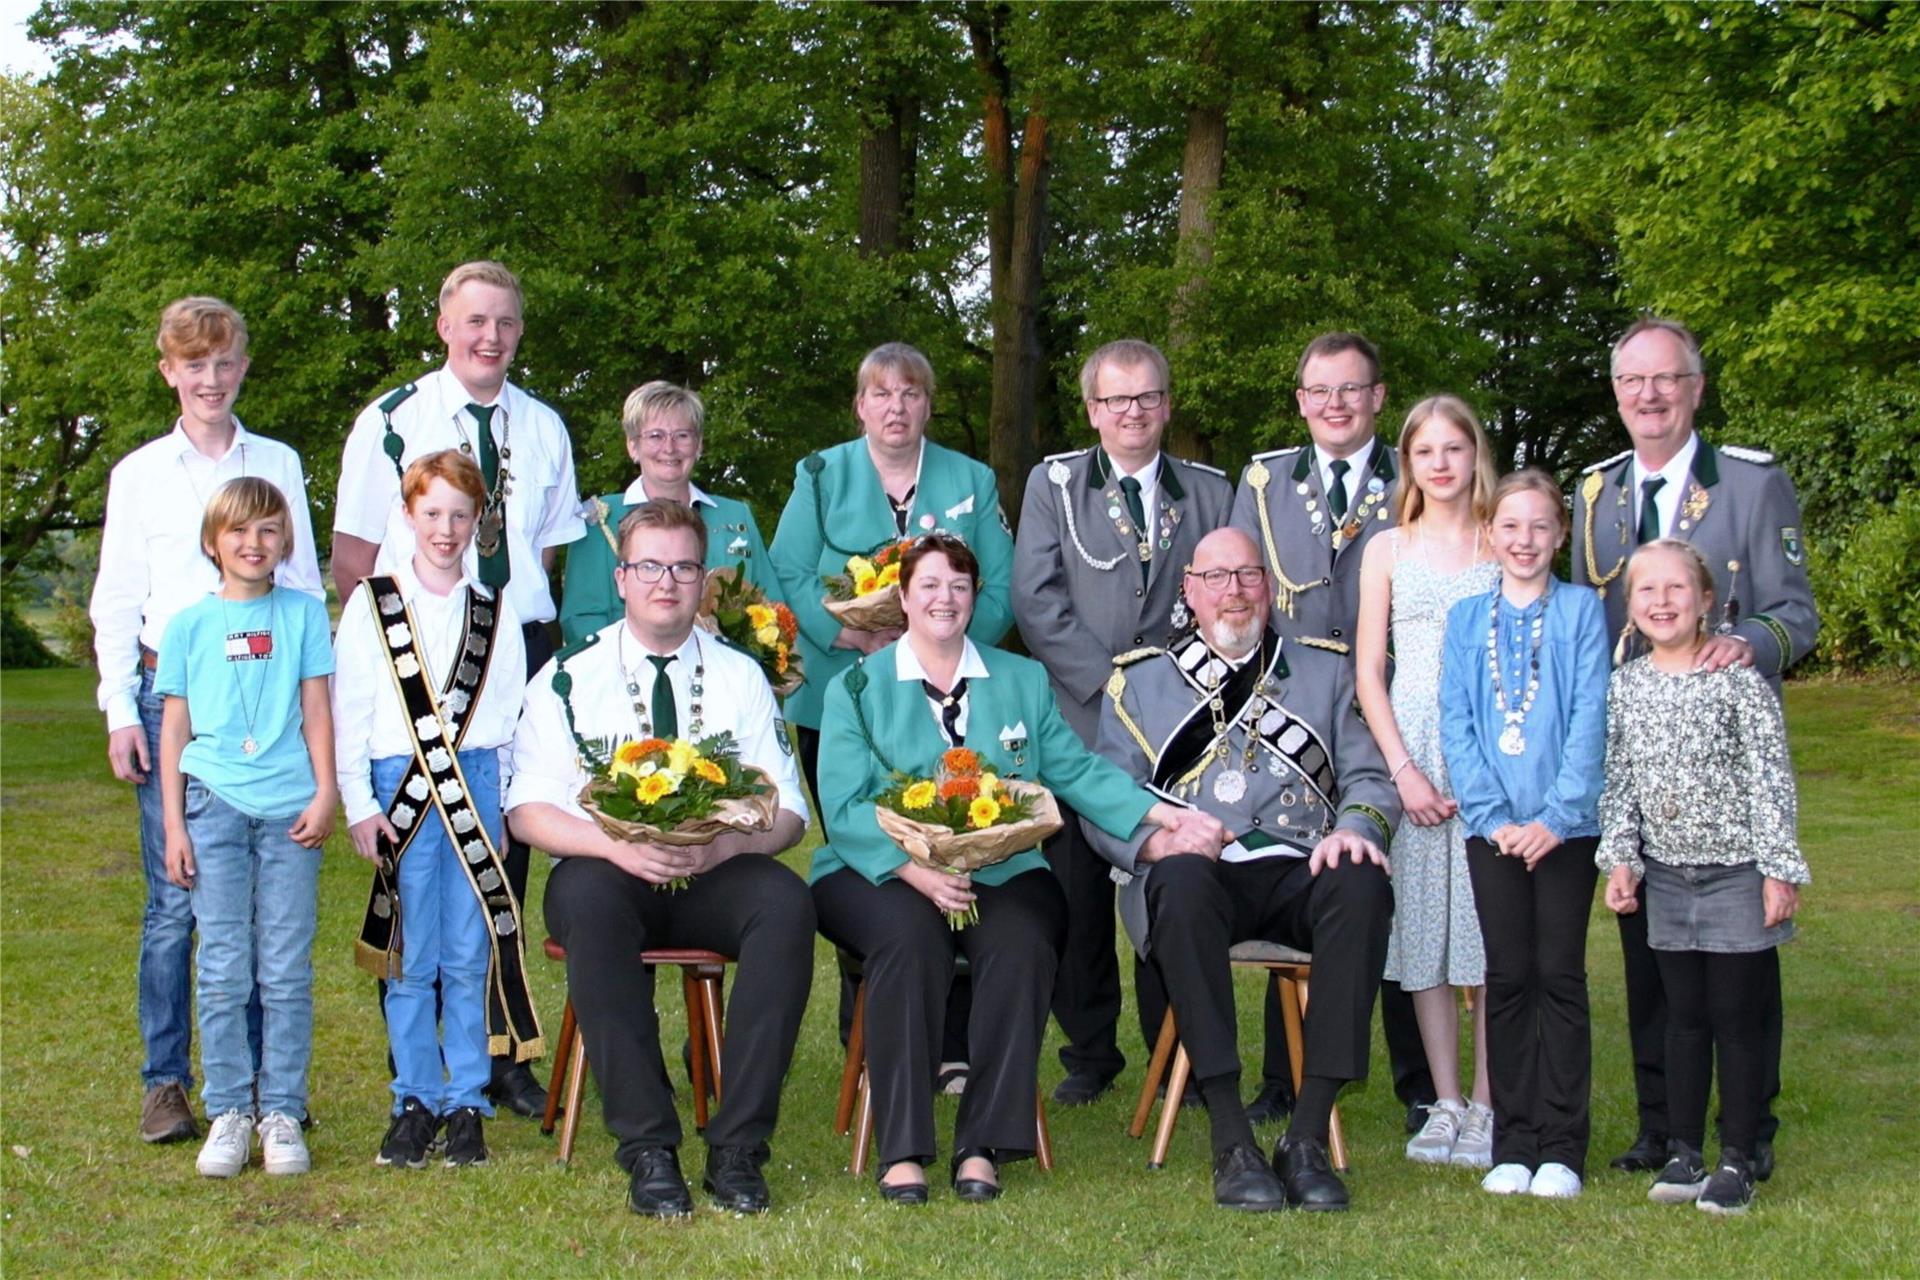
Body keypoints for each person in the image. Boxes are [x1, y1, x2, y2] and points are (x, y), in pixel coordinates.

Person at [810, 533, 1222, 1205]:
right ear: (903, 598)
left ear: (975, 599)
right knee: (909, 942)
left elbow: (1075, 770)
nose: (945, 598)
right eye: (930, 585)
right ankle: (904, 1149)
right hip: (879, 870)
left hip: (1000, 868)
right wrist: (916, 874)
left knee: (1024, 939)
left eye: (959, 586)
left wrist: (1158, 817)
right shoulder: (855, 688)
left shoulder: (1022, 680)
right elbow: (845, 804)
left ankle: (985, 1144)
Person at [507, 501, 815, 1217]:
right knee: (587, 903)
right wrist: (615, 844)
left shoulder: (741, 676)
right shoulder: (565, 679)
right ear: (620, 577)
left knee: (786, 904)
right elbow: (527, 811)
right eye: (649, 566)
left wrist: (725, 843)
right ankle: (648, 1148)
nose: (665, 582)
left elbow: (791, 812)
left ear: (704, 579)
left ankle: (739, 1147)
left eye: (682, 566)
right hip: (606, 868)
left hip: (715, 867)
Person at [1084, 527, 1400, 1213]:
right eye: (1217, 578)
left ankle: (1307, 1133)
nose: (1235, 592)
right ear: (1189, 592)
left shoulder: (1324, 669)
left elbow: (1370, 778)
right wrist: (1153, 842)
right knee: (1179, 880)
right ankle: (1231, 1136)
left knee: (1363, 882)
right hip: (1200, 874)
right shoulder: (1139, 682)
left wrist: (1352, 831)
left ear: (1269, 586)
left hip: (1300, 867)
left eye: (1249, 575)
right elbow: (1106, 795)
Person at [334, 260, 584, 1117]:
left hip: (512, 649)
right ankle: (420, 1071)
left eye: (505, 323)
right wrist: (395, 663)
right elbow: (355, 557)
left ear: (519, 330)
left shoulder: (546, 426)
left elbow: (546, 555)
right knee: (415, 871)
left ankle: (495, 1054)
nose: (490, 337)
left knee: (499, 866)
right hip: (420, 659)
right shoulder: (392, 421)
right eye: (474, 321)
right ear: (443, 325)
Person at [1571, 316, 1816, 1179]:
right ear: (1616, 393)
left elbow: (1797, 612)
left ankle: (1748, 1133)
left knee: (1740, 967)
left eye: (1666, 379)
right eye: (1633, 381)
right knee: (1653, 962)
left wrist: (1741, 642)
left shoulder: (1751, 485)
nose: (1649, 395)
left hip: (1724, 759)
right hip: (1635, 751)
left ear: (1695, 388)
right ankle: (1664, 1128)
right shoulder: (1595, 494)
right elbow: (1592, 625)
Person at [89, 297, 324, 1145]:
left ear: (242, 367)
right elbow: (117, 600)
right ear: (170, 372)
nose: (211, 379)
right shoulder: (140, 473)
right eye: (195, 366)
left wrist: (306, 712)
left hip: (265, 702)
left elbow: (298, 589)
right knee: (177, 901)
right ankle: (169, 1083)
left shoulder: (278, 463)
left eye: (225, 363)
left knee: (267, 908)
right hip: (172, 700)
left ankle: (265, 1092)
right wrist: (123, 709)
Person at [771, 341, 1016, 1089]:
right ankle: (870, 1034)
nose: (896, 407)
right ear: (860, 405)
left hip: (949, 702)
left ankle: (952, 1040)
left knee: (954, 847)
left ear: (928, 405)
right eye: (881, 393)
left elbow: (1000, 589)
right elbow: (787, 572)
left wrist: (937, 634)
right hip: (842, 697)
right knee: (867, 856)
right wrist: (849, 632)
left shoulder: (971, 480)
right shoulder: (819, 474)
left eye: (911, 393)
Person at [1011, 338, 1233, 1108]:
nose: (1130, 413)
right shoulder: (1057, 485)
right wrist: (1114, 687)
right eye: (1115, 400)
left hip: (1181, 725)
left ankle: (1183, 1048)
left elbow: (1226, 594)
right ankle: (1090, 1052)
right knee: (1075, 891)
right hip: (1078, 719)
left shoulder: (1209, 491)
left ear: (1167, 405)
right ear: (1092, 411)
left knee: (1168, 875)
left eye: (1145, 398)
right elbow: (1035, 598)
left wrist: (1165, 693)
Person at [1227, 331, 1435, 1132]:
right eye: (1319, 391)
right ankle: (1288, 1079)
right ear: (1301, 400)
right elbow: (1245, 586)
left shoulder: (1414, 472)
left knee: (1401, 888)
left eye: (1351, 389)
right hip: (1297, 710)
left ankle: (1419, 1081)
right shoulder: (1265, 479)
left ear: (1379, 397)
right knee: (1303, 871)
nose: (1335, 404)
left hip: (1401, 705)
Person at [332, 450, 536, 1170]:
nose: (445, 529)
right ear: (407, 516)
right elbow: (349, 708)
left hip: (476, 783)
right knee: (411, 952)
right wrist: (359, 803)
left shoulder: (494, 609)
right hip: (400, 790)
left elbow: (511, 718)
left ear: (478, 521)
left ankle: (466, 1100)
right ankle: (414, 1096)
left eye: (459, 514)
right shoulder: (374, 602)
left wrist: (507, 805)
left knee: (469, 947)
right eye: (432, 514)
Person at [1597, 539, 1810, 1215]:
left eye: (1677, 589)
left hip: (1736, 877)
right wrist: (1622, 858)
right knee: (1683, 1020)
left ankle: (1739, 1157)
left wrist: (1778, 871)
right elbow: (1620, 783)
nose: (1662, 602)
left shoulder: (1738, 682)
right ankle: (1685, 1149)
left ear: (1707, 600)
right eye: (1647, 592)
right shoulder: (1627, 684)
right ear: (1630, 607)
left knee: (1735, 1020)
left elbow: (1770, 782)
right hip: (1666, 878)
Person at [154, 477, 336, 1178]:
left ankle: (282, 1110)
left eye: (267, 531)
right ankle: (230, 1109)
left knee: (285, 968)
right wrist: (174, 824)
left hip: (291, 807)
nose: (253, 544)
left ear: (284, 542)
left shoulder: (303, 615)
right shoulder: (189, 626)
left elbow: (316, 708)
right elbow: (175, 728)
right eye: (238, 531)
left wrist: (326, 793)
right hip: (214, 808)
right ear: (212, 542)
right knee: (225, 965)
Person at [1438, 471, 1610, 1199]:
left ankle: (1563, 1147)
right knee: (1506, 980)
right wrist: (1493, 816)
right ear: (1489, 534)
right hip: (1493, 832)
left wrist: (1555, 818)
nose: (1525, 541)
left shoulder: (1581, 611)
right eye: (1511, 527)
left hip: (1565, 831)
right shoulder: (1466, 620)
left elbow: (1590, 720)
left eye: (1540, 527)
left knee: (1559, 978)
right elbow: (1458, 723)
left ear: (1561, 534)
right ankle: (1514, 1138)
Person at [1353, 395, 1500, 1169]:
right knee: (1425, 940)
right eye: (1424, 452)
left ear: (1476, 453)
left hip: (1490, 762)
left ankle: (1488, 1104)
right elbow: (1369, 671)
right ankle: (1443, 1102)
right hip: (1414, 761)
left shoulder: (1501, 540)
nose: (1441, 464)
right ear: (1406, 464)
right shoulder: (1388, 549)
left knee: (1486, 936)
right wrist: (1402, 770)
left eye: (1454, 448)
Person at [560, 380, 783, 645]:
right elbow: (581, 619)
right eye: (655, 435)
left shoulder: (736, 517)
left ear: (698, 445)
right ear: (632, 446)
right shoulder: (600, 521)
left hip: (727, 677)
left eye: (682, 435)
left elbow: (773, 609)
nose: (669, 448)